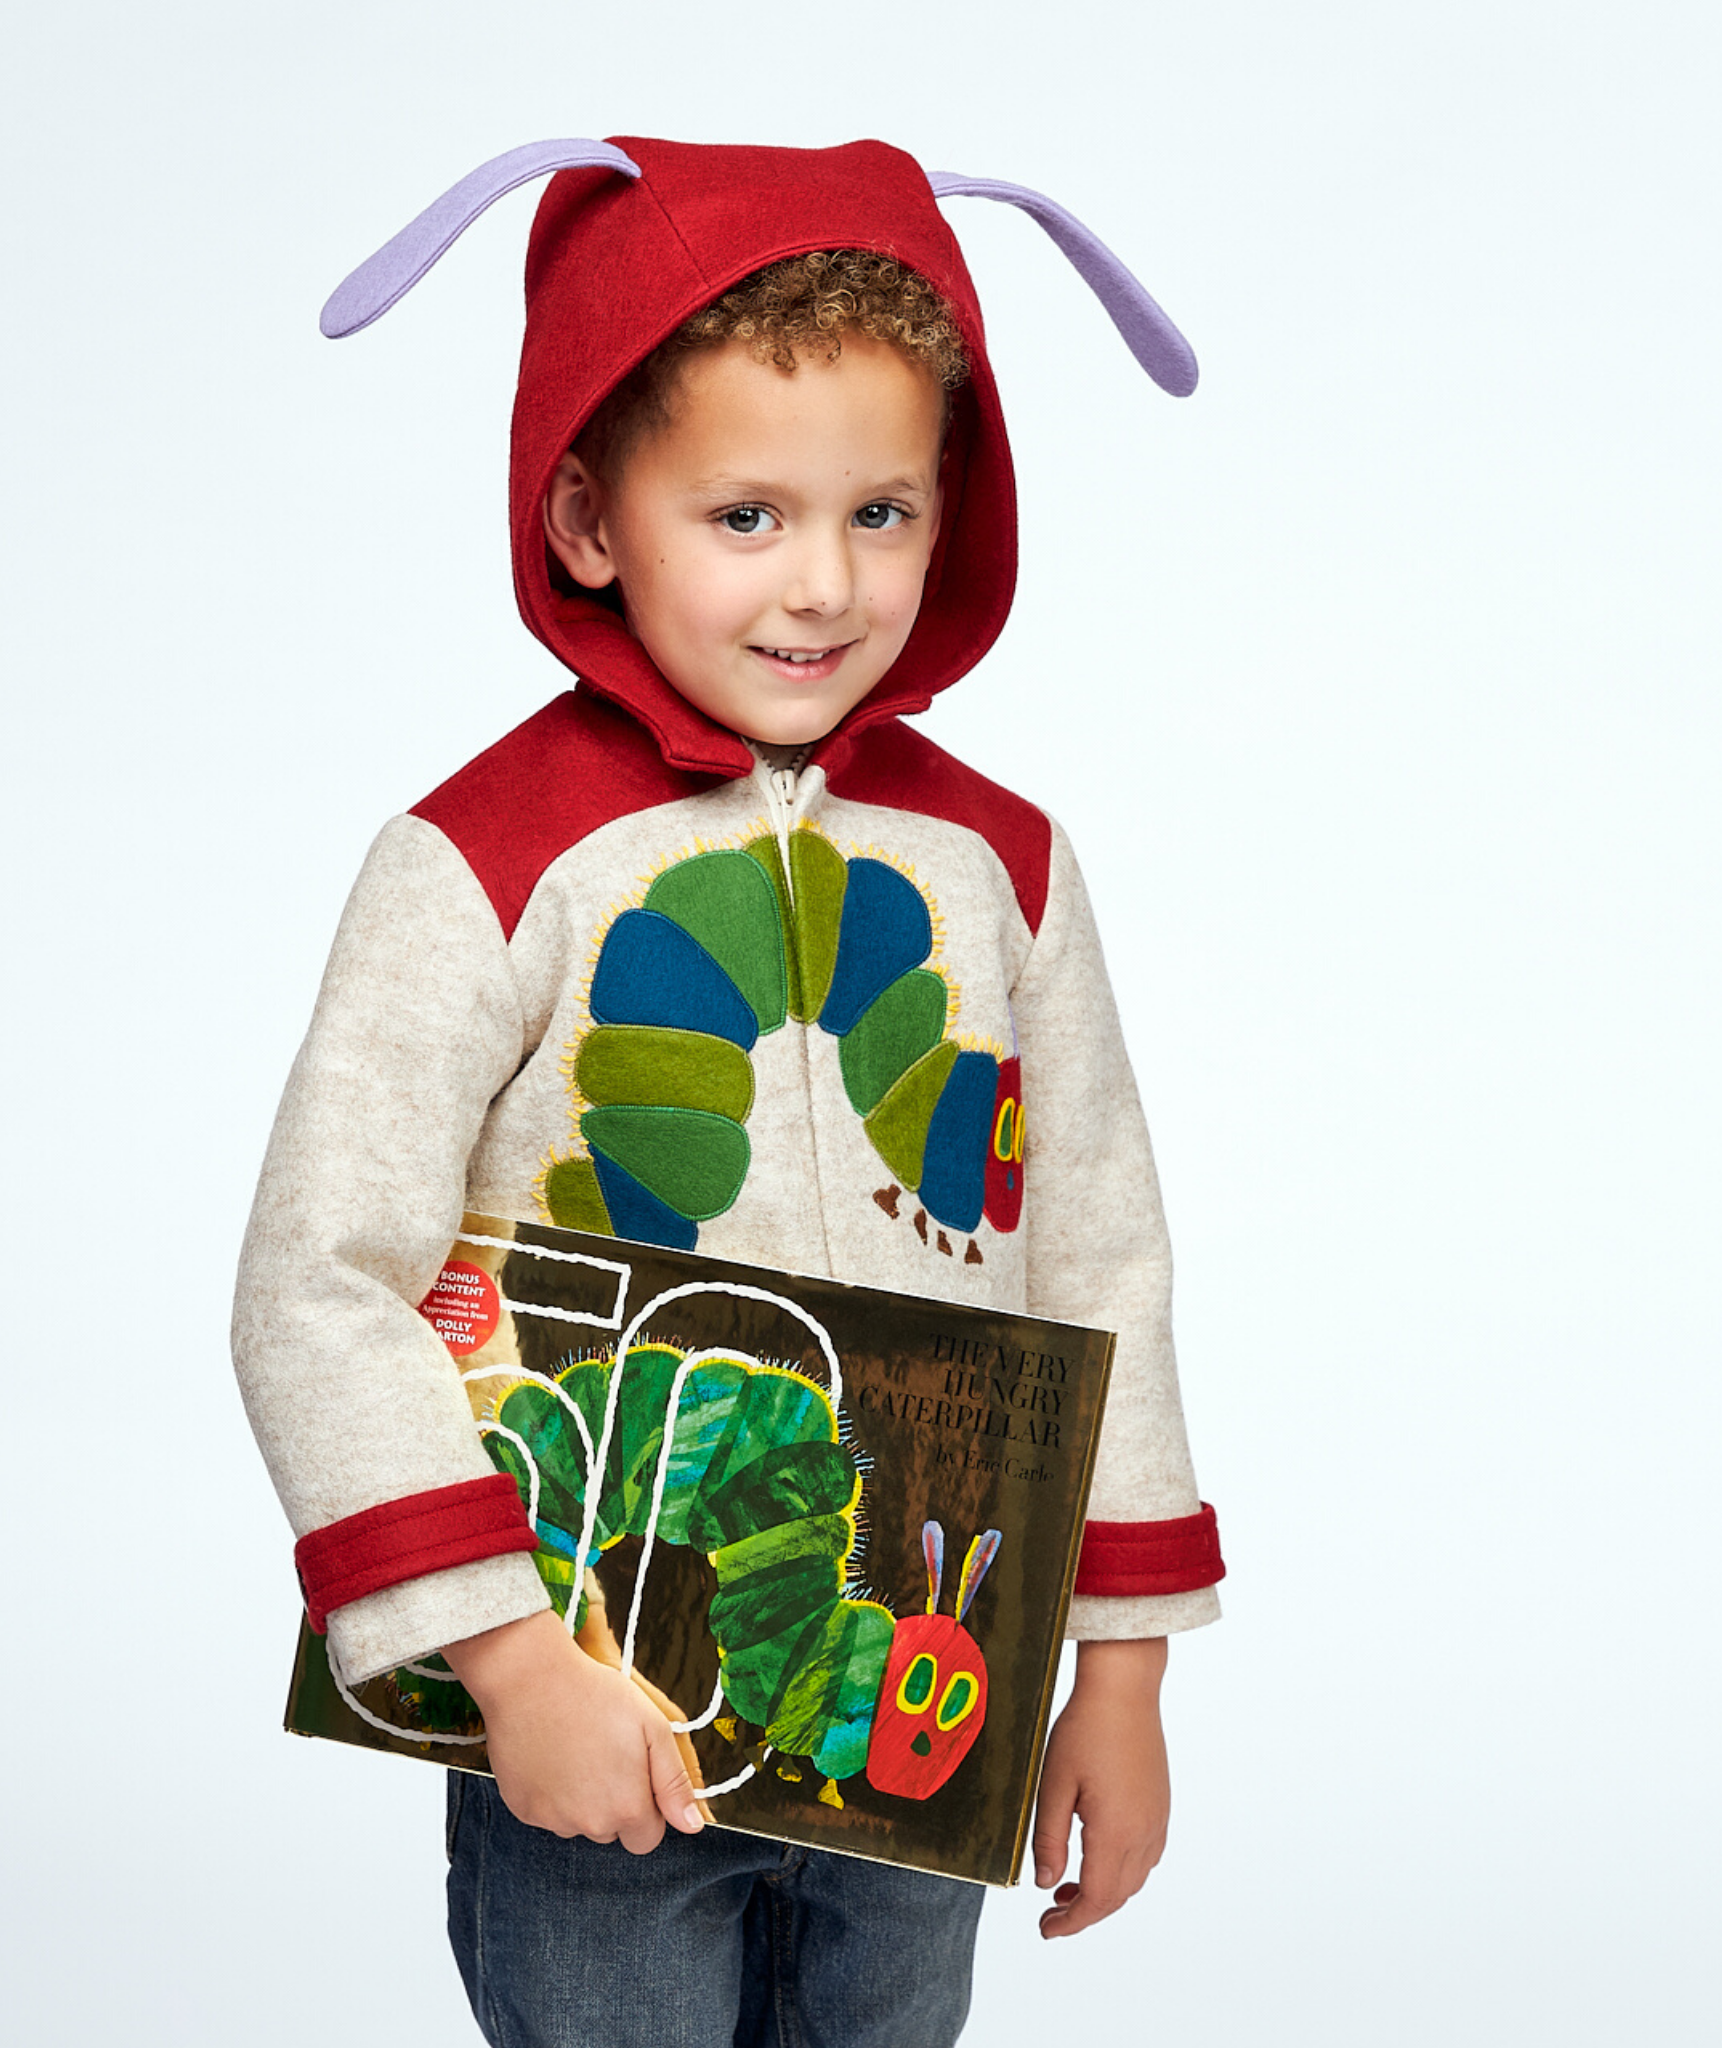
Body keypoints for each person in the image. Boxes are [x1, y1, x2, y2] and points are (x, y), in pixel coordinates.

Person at [234, 135, 1224, 2048]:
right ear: (595, 516)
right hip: (600, 1707)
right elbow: (315, 1276)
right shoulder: (487, 858)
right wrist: (511, 1661)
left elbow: (1104, 1261)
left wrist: (1117, 1677)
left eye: (885, 509)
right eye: (747, 516)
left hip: (917, 1713)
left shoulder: (1001, 867)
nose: (828, 585)